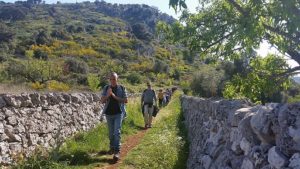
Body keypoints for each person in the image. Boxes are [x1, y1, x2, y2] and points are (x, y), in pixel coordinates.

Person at [100, 72, 128, 161]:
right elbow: (102, 101)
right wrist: (108, 95)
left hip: (118, 113)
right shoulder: (106, 88)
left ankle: (117, 151)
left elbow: (125, 100)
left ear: (117, 79)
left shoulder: (122, 88)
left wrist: (114, 96)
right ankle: (112, 147)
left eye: (114, 79)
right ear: (109, 79)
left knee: (117, 132)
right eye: (111, 79)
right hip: (108, 114)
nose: (112, 81)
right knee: (111, 134)